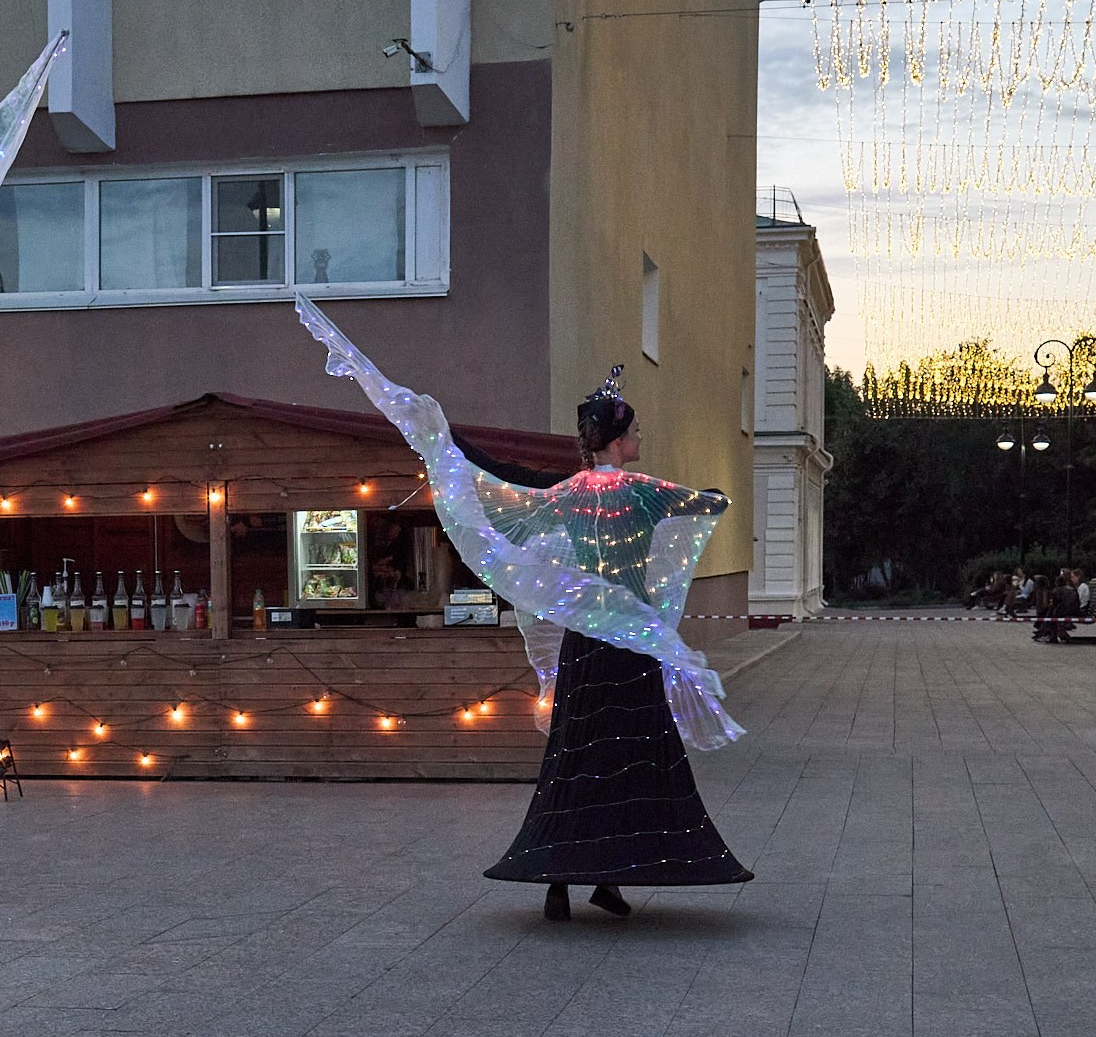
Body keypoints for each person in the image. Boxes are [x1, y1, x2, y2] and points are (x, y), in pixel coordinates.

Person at [295, 299, 754, 922]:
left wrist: (453, 465)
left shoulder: (564, 494)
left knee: (575, 755)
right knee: (628, 758)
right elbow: (702, 504)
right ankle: (610, 873)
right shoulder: (644, 492)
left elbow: (515, 508)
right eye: (636, 432)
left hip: (587, 645)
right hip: (629, 644)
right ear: (618, 441)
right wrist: (718, 498)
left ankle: (569, 881)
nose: (641, 440)